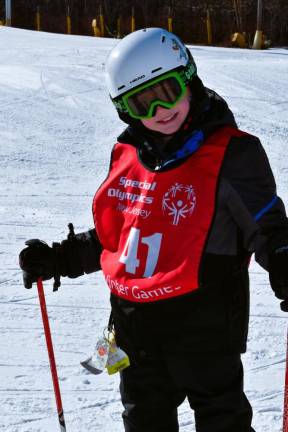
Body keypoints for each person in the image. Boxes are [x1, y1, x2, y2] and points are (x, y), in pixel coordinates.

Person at [19, 28, 288, 432]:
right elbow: (121, 234)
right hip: (134, 330)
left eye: (168, 89)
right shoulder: (127, 154)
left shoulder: (233, 154)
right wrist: (59, 258)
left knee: (222, 420)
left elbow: (268, 228)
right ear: (124, 109)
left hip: (206, 330)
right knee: (143, 420)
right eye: (142, 102)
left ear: (189, 78)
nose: (161, 109)